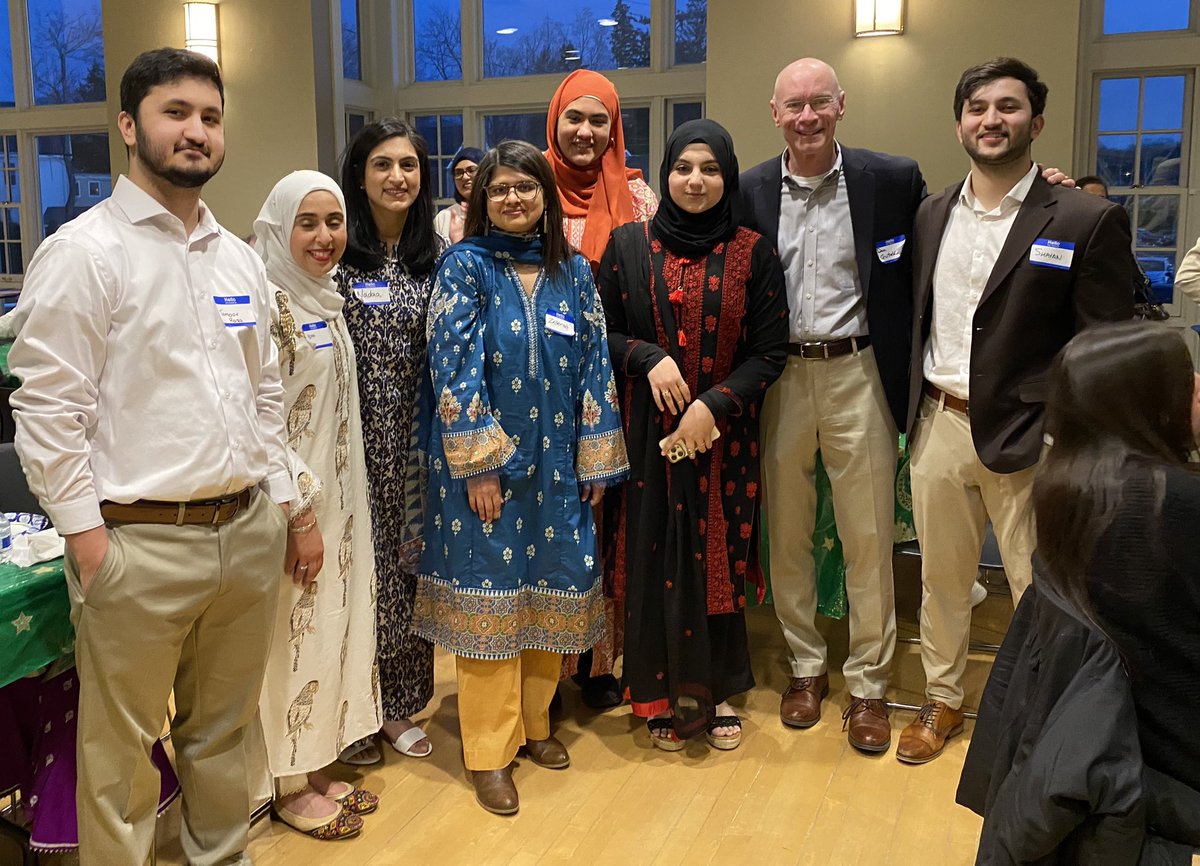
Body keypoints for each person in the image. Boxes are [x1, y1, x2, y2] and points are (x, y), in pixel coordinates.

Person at [8, 48, 292, 865]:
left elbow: (263, 393)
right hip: (136, 545)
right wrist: (87, 541)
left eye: (209, 117)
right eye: (176, 113)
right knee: (121, 759)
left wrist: (274, 501)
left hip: (244, 534)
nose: (196, 131)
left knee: (223, 739)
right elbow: (47, 409)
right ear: (129, 127)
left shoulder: (237, 259)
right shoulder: (84, 252)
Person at [899, 57, 1133, 764]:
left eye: (1007, 107)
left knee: (1043, 589)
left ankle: (1040, 718)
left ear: (1035, 120)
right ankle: (942, 700)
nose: (991, 120)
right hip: (939, 421)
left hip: (1037, 437)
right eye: (977, 108)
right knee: (942, 582)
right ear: (960, 121)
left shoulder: (1085, 217)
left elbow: (1103, 342)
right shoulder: (932, 212)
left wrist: (1072, 433)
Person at [413, 140, 629, 815]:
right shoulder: (465, 268)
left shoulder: (574, 273)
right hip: (488, 473)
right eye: (500, 189)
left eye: (526, 188)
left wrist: (594, 456)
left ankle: (536, 724)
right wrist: (478, 466)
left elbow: (596, 364)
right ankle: (488, 751)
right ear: (482, 201)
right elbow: (451, 367)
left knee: (549, 590)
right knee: (492, 603)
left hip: (559, 470)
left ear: (545, 197)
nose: (513, 199)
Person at [739, 57, 925, 753]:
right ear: (775, 113)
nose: (808, 116)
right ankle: (806, 667)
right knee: (785, 532)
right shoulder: (750, 188)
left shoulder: (893, 179)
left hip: (860, 370)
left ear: (841, 106)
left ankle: (870, 683)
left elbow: (941, 236)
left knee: (869, 536)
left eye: (820, 102)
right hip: (781, 375)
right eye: (795, 105)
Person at [599, 119, 788, 751]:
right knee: (650, 555)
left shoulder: (753, 252)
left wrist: (713, 404)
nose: (695, 180)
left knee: (716, 557)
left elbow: (769, 351)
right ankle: (653, 693)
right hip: (645, 433)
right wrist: (649, 357)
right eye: (683, 168)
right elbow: (601, 333)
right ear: (665, 175)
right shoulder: (627, 246)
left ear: (727, 177)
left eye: (709, 169)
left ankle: (720, 691)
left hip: (722, 437)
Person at [252, 171, 381, 839]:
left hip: (340, 507)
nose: (326, 236)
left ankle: (318, 755)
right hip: (289, 512)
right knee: (289, 640)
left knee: (329, 628)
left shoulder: (322, 301)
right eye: (308, 223)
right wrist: (298, 516)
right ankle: (285, 782)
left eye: (334, 222)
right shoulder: (268, 307)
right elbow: (259, 422)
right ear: (278, 228)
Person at [1034, 320, 1200, 792]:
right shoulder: (1172, 501)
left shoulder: (1066, 487)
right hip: (1177, 747)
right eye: (1185, 380)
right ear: (1148, 405)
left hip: (1112, 741)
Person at [544, 67, 658, 708]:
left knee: (610, 524)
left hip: (617, 388)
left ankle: (600, 661)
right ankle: (546, 667)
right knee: (554, 521)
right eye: (575, 119)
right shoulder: (526, 190)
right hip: (537, 393)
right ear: (554, 121)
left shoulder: (640, 204)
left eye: (600, 121)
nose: (586, 132)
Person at [335, 118, 445, 763]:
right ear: (359, 174)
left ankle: (397, 705)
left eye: (408, 165)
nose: (397, 177)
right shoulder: (336, 255)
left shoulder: (439, 260)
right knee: (357, 576)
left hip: (419, 444)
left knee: (408, 573)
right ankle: (353, 705)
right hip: (351, 441)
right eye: (382, 164)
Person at [433, 146, 484, 244]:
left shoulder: (495, 213)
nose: (465, 177)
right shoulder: (444, 217)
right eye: (458, 173)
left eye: (471, 170)